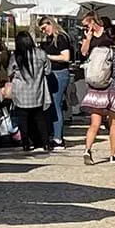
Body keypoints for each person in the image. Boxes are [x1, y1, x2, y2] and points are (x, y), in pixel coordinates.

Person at [79, 17, 115, 164]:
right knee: (114, 122)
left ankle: (87, 149)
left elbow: (84, 54)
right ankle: (113, 154)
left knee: (94, 123)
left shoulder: (94, 50)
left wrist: (88, 39)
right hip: (112, 89)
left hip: (95, 89)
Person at [7, 31, 53, 152]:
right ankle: (46, 143)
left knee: (23, 120)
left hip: (21, 93)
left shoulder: (16, 56)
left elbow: (9, 73)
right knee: (40, 118)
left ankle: (26, 144)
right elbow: (48, 71)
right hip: (37, 91)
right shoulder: (41, 54)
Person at [38, 17, 73, 149]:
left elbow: (66, 57)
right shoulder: (50, 39)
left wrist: (47, 57)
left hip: (60, 73)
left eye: (44, 28)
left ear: (50, 24)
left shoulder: (61, 38)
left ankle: (58, 138)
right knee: (52, 105)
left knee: (56, 105)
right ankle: (54, 134)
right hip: (52, 73)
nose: (43, 31)